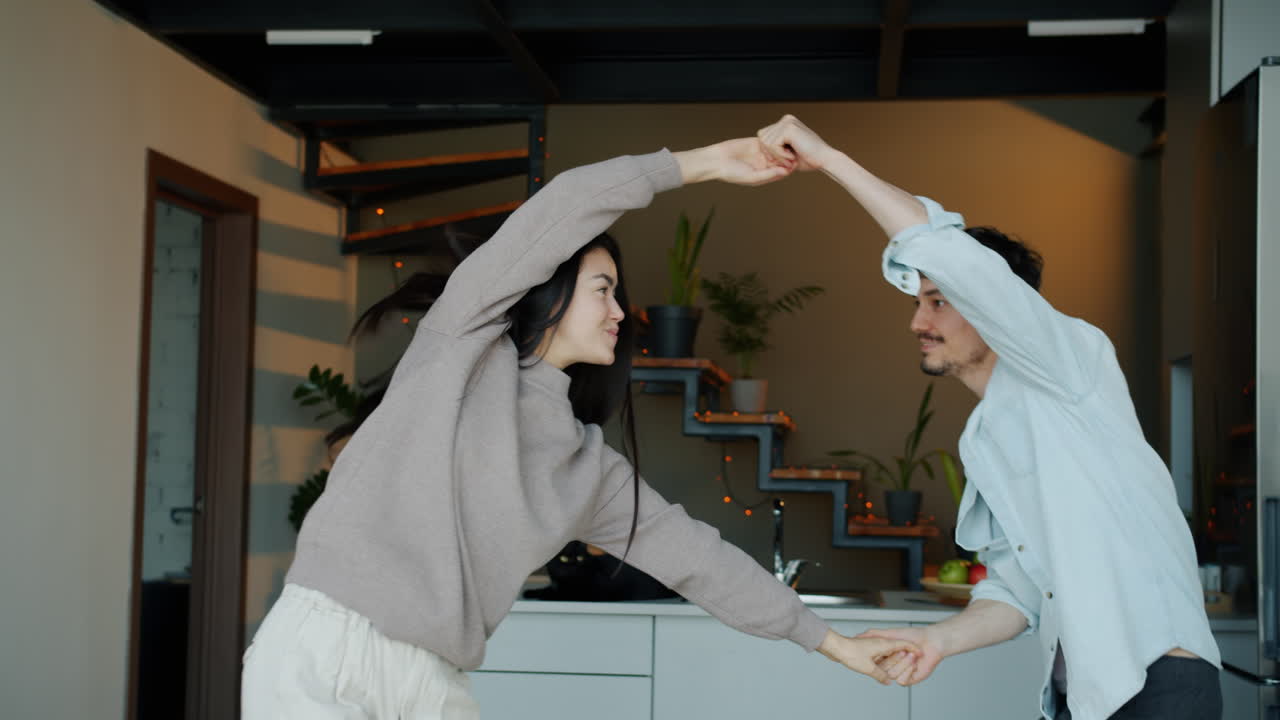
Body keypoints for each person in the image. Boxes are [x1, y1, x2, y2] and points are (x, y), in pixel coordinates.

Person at [241, 137, 917, 719]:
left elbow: (701, 562)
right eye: (603, 288)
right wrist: (709, 161)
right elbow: (567, 202)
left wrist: (832, 642)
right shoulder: (463, 348)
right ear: (550, 290)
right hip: (327, 647)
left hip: (430, 679)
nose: (621, 310)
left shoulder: (586, 467)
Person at [754, 115, 1222, 720]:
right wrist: (936, 641)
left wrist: (830, 159)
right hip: (1088, 699)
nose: (918, 324)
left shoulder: (1072, 366)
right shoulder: (986, 434)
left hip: (1161, 684)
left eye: (938, 302)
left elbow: (949, 254)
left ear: (991, 302)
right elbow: (1018, 591)